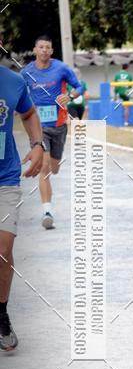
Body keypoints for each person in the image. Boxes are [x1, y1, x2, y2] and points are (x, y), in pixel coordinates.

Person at [0, 65, 45, 350]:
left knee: (3, 250)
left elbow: (28, 113)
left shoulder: (13, 81)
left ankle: (1, 312)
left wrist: (38, 143)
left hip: (5, 177)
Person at [21, 35, 83, 230]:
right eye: (41, 47)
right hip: (38, 128)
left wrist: (70, 96)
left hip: (59, 125)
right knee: (45, 168)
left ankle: (53, 168)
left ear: (52, 51)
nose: (44, 50)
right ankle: (47, 211)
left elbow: (80, 87)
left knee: (54, 167)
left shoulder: (61, 68)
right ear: (35, 50)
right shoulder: (26, 72)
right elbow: (17, 92)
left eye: (48, 47)